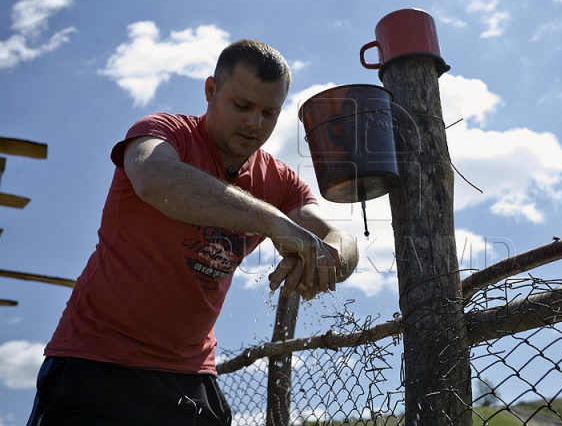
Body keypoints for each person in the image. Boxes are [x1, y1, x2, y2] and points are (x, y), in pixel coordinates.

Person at [26, 39, 359, 426]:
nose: (255, 123)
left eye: (270, 112)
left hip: (190, 373)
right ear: (210, 91)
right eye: (242, 106)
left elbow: (340, 238)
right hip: (95, 361)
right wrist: (273, 223)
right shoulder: (163, 132)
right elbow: (154, 179)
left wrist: (326, 257)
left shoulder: (279, 181)